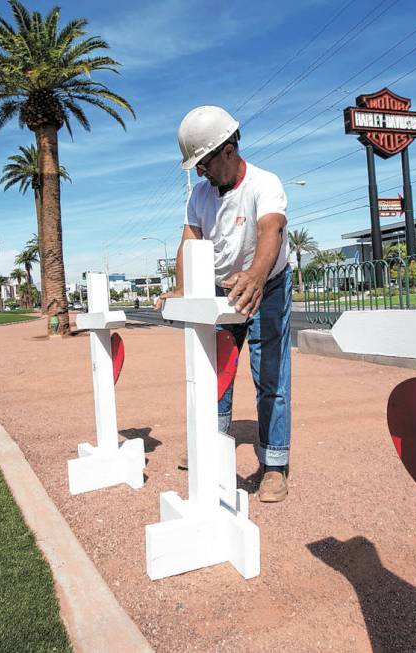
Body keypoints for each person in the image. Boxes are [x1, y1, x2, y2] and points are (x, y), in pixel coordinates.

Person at [155, 105, 292, 503]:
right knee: (216, 372)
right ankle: (211, 449)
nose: (200, 171)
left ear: (229, 150)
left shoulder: (265, 184)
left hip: (268, 287)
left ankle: (274, 466)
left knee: (271, 379)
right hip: (220, 290)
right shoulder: (198, 195)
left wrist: (254, 276)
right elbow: (190, 240)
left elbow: (272, 230)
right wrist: (182, 287)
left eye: (204, 162)